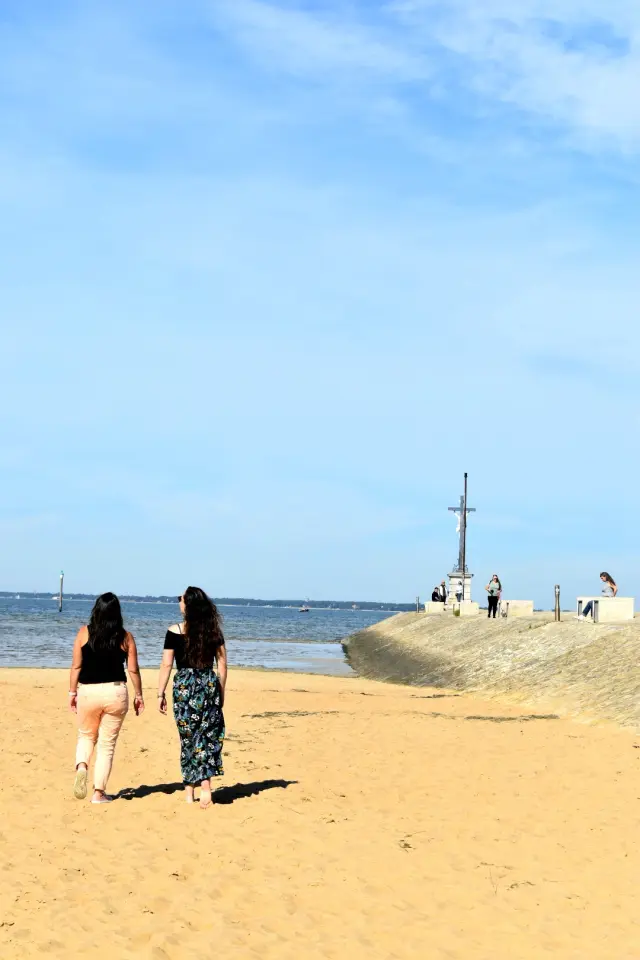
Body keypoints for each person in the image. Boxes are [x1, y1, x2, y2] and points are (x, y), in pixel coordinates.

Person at [69, 593, 144, 803]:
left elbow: (76, 666)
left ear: (96, 610)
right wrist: (139, 695)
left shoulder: (84, 633)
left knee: (85, 735)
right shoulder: (126, 637)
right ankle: (98, 793)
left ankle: (82, 766)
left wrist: (72, 692)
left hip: (88, 691)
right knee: (106, 745)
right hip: (115, 692)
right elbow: (133, 670)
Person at [157, 587, 227, 809]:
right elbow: (222, 664)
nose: (178, 602)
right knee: (207, 737)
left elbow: (167, 664)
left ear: (187, 605)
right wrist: (220, 691)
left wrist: (160, 692)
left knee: (188, 738)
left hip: (185, 686)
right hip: (207, 685)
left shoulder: (174, 631)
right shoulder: (213, 631)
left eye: (181, 599)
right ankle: (205, 787)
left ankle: (191, 793)